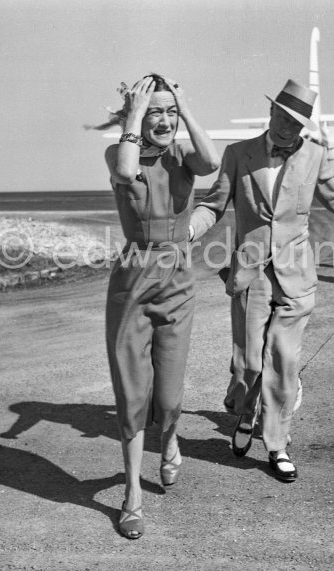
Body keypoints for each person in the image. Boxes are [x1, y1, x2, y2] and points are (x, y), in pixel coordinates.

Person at [189, 79, 334, 483]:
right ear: (271, 111)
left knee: (284, 361)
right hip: (250, 272)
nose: (288, 128)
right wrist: (187, 230)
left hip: (296, 276)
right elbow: (213, 203)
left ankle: (276, 444)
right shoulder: (239, 154)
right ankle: (245, 413)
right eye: (283, 117)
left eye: (297, 123)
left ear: (304, 126)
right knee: (248, 363)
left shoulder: (315, 155)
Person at [102, 73, 219, 539]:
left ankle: (170, 439)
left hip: (178, 275)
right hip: (131, 277)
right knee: (133, 392)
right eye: (157, 113)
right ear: (138, 117)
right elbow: (128, 171)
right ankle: (133, 494)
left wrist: (184, 106)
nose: (165, 121)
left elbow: (210, 162)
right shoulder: (118, 151)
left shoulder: (184, 155)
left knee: (168, 395)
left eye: (170, 113)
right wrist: (134, 112)